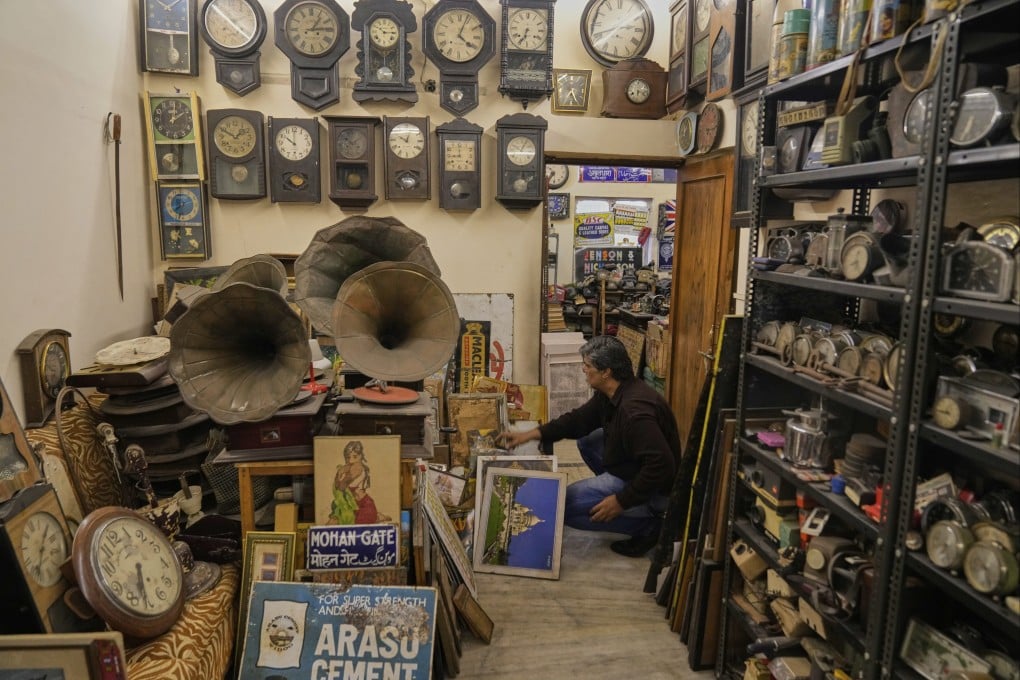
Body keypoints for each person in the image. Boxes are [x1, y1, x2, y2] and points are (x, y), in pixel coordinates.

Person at [499, 335, 681, 557]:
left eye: (588, 366)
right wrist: (533, 434)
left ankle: (650, 525)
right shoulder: (614, 392)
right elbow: (579, 420)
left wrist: (622, 501)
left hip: (656, 488)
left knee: (561, 507)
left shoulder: (635, 412)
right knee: (589, 440)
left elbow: (662, 466)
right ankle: (623, 500)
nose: (584, 370)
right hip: (632, 464)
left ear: (606, 372)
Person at [329, 440, 390, 524]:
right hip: (353, 505)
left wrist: (339, 473)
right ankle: (378, 516)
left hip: (364, 508)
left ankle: (377, 516)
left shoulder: (357, 468)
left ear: (360, 456)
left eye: (354, 457)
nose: (350, 460)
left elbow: (341, 486)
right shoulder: (350, 466)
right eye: (348, 457)